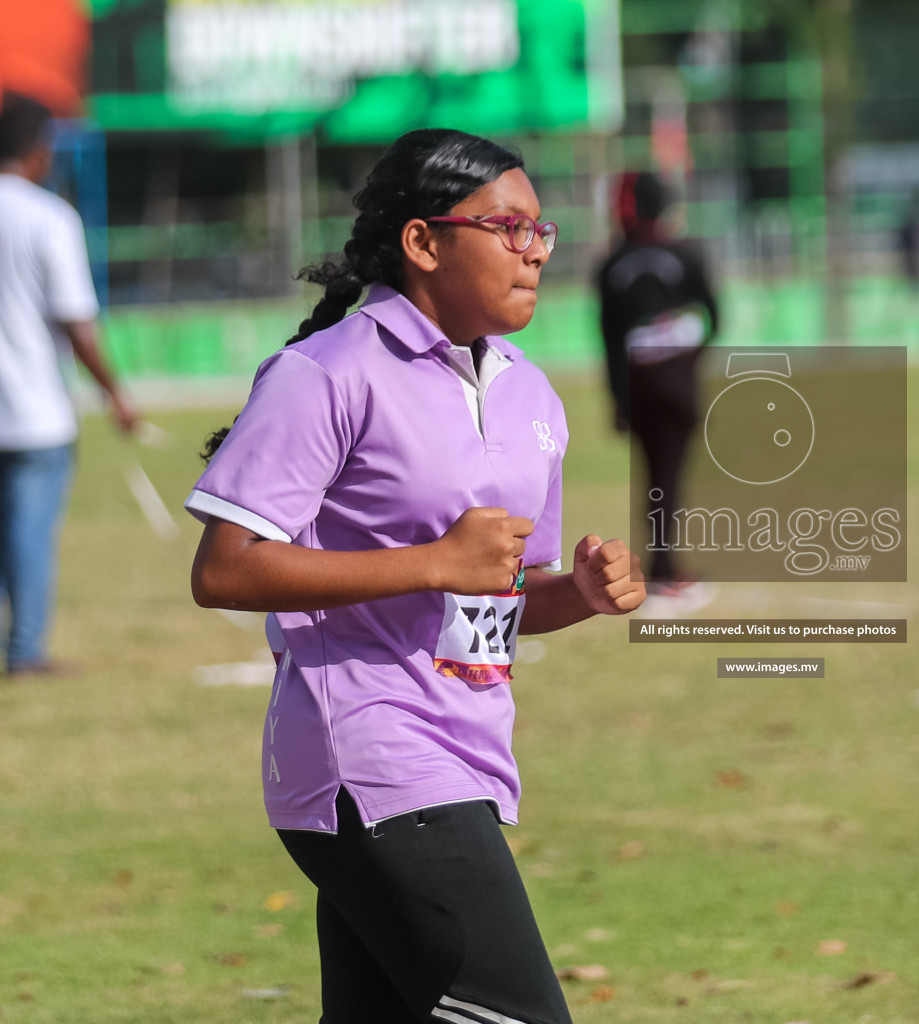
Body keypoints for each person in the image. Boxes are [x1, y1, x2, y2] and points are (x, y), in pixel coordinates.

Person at [186, 129, 646, 1024]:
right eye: (506, 227)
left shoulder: (531, 395)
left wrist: (580, 595)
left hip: (471, 755)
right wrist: (434, 561)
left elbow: (496, 603)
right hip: (368, 756)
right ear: (424, 242)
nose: (535, 251)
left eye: (541, 230)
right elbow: (224, 569)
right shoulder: (327, 373)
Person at [0, 91, 137, 677]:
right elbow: (77, 321)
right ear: (39, 150)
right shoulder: (49, 216)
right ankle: (25, 651)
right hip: (33, 411)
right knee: (29, 534)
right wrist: (114, 392)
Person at [595, 171, 718, 595]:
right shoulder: (687, 255)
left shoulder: (611, 264)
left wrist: (617, 399)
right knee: (668, 477)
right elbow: (714, 318)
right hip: (679, 388)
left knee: (653, 477)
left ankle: (662, 564)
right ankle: (665, 569)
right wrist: (687, 359)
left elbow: (609, 341)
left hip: (638, 389)